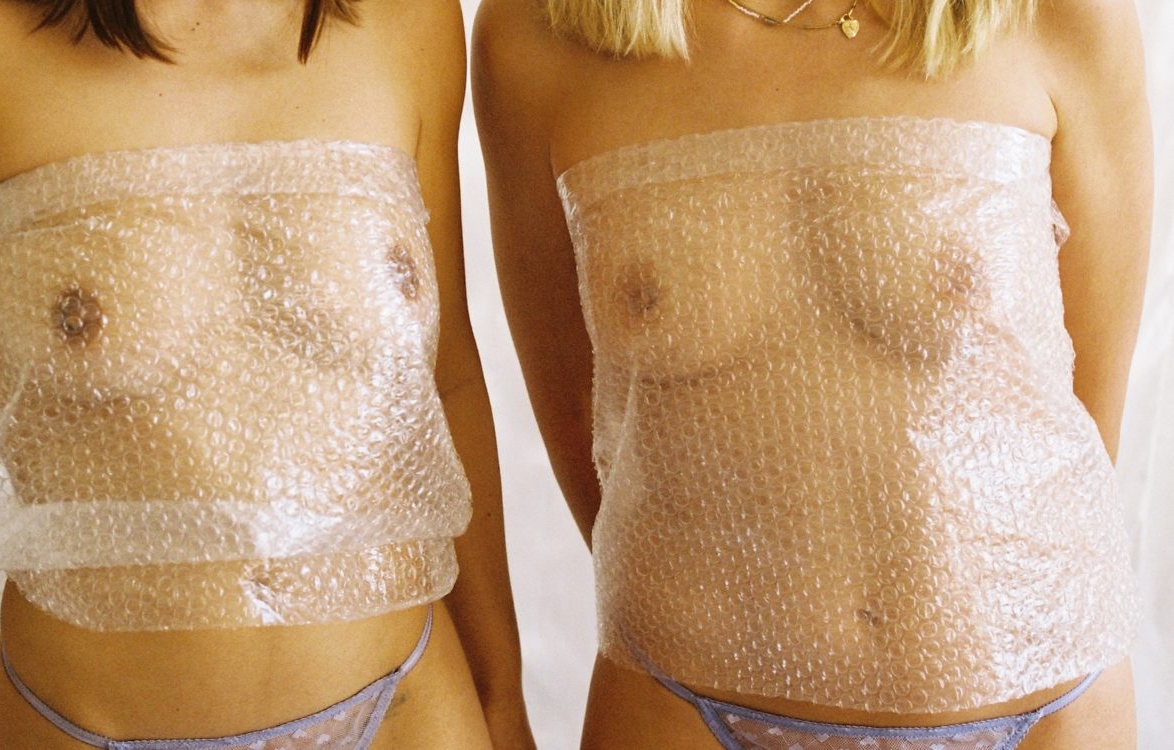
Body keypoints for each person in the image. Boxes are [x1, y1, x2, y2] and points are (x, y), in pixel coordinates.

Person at [0, 1, 534, 748]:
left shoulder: (407, 20)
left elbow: (443, 380)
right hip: (86, 727)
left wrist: (500, 699)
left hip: (411, 710)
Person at [474, 0, 1150, 747]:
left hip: (1045, 699)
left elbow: (1088, 415)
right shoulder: (538, 36)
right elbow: (581, 418)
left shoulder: (1061, 14)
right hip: (684, 701)